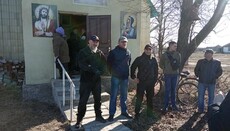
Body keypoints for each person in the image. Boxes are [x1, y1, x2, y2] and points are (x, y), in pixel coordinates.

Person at [75, 35, 107, 129]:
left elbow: (104, 65)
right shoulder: (83, 52)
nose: (95, 43)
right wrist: (92, 69)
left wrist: (101, 71)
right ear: (89, 41)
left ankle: (98, 116)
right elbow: (81, 64)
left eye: (97, 41)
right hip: (86, 81)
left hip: (96, 81)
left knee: (98, 100)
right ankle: (79, 120)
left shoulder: (99, 53)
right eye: (93, 41)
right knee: (83, 101)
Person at [107, 36, 132, 121]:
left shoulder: (128, 52)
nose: (124, 43)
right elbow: (108, 64)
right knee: (113, 96)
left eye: (125, 42)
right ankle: (111, 114)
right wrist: (112, 73)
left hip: (125, 78)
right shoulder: (113, 52)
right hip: (115, 78)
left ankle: (124, 112)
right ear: (118, 43)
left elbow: (129, 63)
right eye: (122, 42)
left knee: (124, 96)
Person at [130, 44, 158, 119]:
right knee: (139, 98)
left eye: (150, 49)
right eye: (147, 49)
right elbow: (133, 67)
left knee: (150, 98)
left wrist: (155, 80)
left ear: (151, 50)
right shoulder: (139, 59)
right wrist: (134, 77)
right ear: (144, 50)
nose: (148, 51)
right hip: (141, 82)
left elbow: (156, 71)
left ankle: (149, 113)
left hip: (150, 82)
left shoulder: (153, 60)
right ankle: (137, 113)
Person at [194, 49, 223, 113]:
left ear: (212, 55)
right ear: (205, 54)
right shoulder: (200, 62)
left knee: (211, 97)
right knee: (200, 97)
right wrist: (199, 75)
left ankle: (210, 111)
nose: (208, 55)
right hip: (202, 82)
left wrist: (215, 76)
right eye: (207, 54)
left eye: (210, 54)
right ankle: (200, 109)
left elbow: (220, 71)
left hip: (212, 83)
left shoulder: (217, 62)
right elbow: (196, 70)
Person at [159, 41, 181, 112]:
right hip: (167, 74)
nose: (176, 47)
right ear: (170, 46)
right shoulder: (164, 55)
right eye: (174, 46)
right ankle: (165, 106)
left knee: (173, 90)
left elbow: (179, 63)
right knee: (167, 90)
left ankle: (174, 105)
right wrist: (165, 68)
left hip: (175, 74)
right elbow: (161, 64)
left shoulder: (178, 54)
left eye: (176, 46)